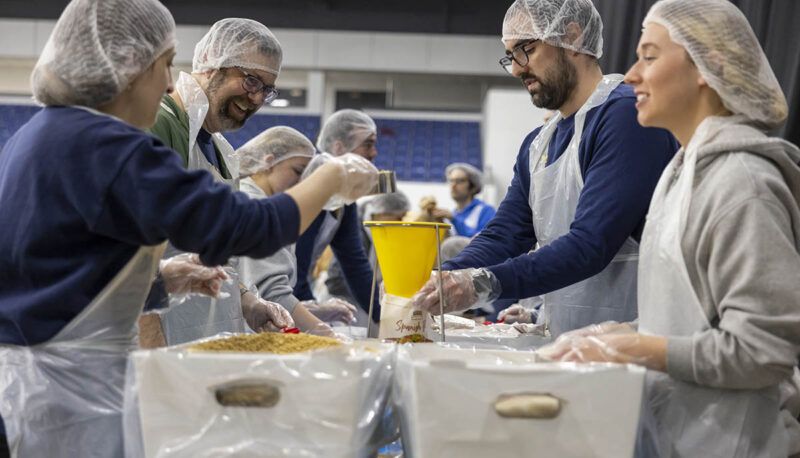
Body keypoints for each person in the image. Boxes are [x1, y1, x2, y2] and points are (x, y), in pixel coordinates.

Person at [0, 1, 377, 455]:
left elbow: (61, 265)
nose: (167, 82)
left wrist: (159, 281)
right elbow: (249, 228)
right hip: (77, 389)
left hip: (40, 378)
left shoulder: (41, 134)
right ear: (126, 66)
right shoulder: (108, 145)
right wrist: (330, 177)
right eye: (164, 65)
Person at [539, 0, 800, 455]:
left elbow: (762, 351)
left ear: (707, 67)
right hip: (685, 434)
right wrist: (616, 332)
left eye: (650, 56)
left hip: (739, 443)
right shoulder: (685, 173)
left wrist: (636, 348)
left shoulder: (742, 182)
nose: (633, 74)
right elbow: (689, 318)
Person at [411, 0, 679, 338]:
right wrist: (445, 277)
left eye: (526, 49)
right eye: (510, 55)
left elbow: (590, 245)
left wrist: (484, 282)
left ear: (573, 37)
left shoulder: (625, 118)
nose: (516, 69)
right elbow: (505, 233)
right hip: (572, 342)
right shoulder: (538, 143)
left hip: (634, 341)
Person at [141, 18, 294, 347]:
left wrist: (247, 302)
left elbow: (212, 257)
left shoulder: (223, 151)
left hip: (203, 342)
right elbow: (132, 260)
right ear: (211, 63)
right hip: (165, 343)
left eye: (266, 90)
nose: (255, 99)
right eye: (251, 81)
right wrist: (151, 362)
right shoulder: (161, 126)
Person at [235, 126, 357, 334]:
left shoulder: (264, 202)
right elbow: (270, 293)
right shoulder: (253, 202)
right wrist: (323, 332)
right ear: (269, 162)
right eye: (298, 171)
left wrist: (315, 310)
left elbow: (259, 291)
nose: (302, 183)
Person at [294, 109, 382, 326]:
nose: (374, 154)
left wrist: (385, 316)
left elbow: (355, 263)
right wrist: (312, 318)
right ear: (338, 147)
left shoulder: (343, 200)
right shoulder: (309, 187)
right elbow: (296, 265)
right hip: (273, 297)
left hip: (294, 295)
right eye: (368, 144)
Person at [326, 191, 411, 322]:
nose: (400, 223)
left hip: (364, 300)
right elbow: (337, 280)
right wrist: (374, 296)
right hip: (343, 301)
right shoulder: (357, 231)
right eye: (398, 217)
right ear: (383, 212)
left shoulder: (378, 231)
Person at [432, 163, 496, 237]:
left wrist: (454, 219)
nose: (453, 185)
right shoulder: (453, 214)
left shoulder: (485, 211)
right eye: (451, 180)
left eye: (459, 181)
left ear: (473, 187)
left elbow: (483, 239)